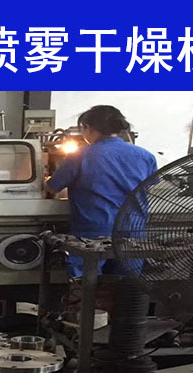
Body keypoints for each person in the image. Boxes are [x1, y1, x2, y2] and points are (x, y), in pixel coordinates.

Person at [46, 105, 157, 278]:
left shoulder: (80, 155)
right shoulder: (145, 156)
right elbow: (150, 186)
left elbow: (53, 187)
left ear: (87, 127)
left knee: (85, 281)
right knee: (127, 283)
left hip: (93, 231)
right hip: (132, 228)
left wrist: (47, 181)